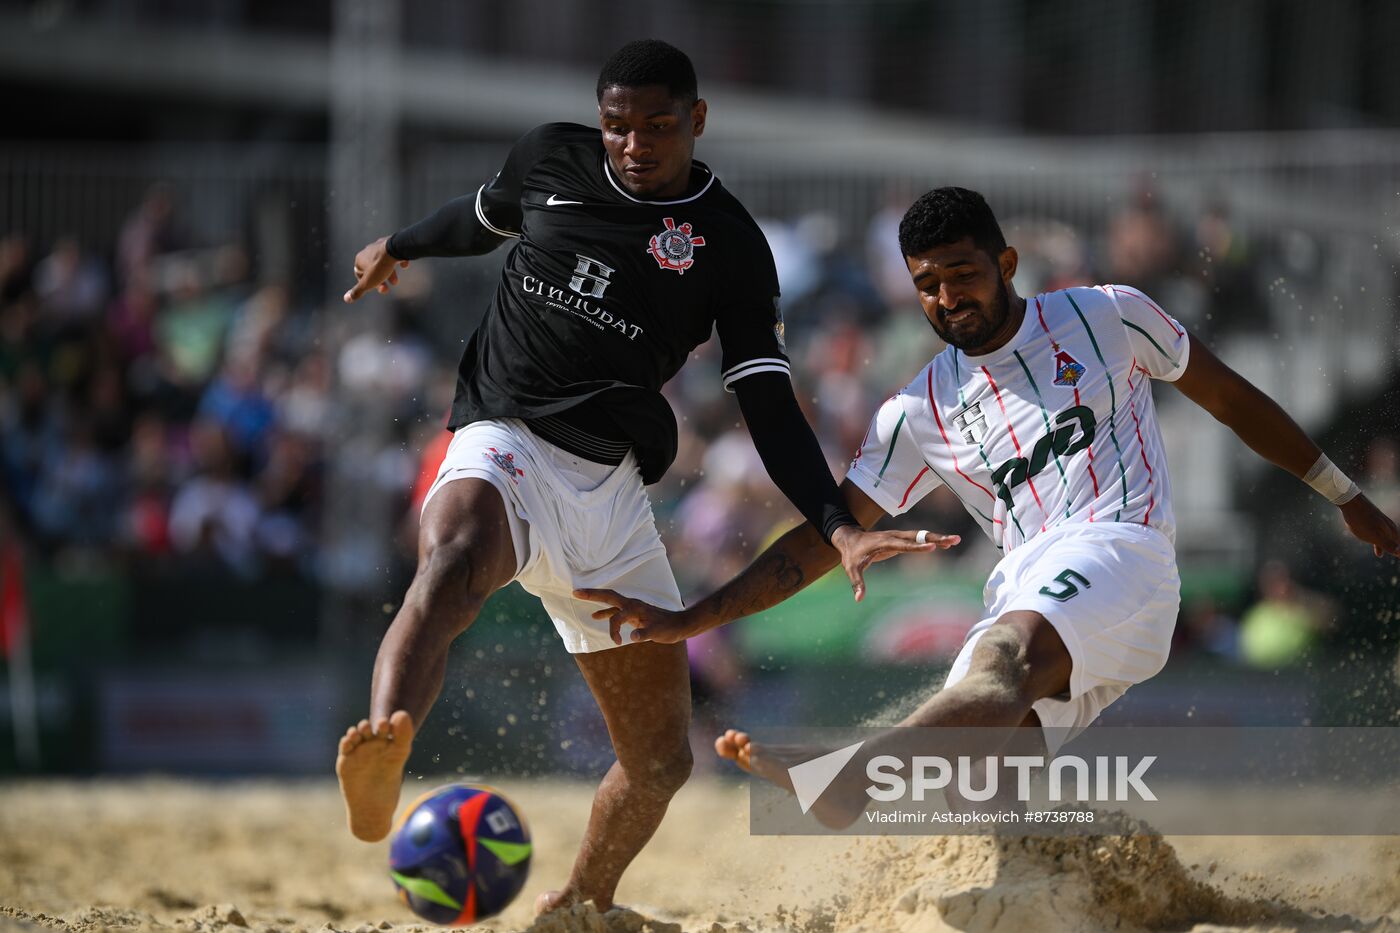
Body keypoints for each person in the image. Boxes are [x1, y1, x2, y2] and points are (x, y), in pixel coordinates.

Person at [332, 39, 939, 914]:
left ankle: (582, 901)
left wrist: (836, 522)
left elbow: (767, 403)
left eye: (657, 126)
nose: (634, 144)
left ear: (696, 120)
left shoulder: (729, 244)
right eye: (618, 126)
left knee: (661, 761)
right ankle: (386, 742)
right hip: (506, 436)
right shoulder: (553, 155)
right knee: (454, 561)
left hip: (611, 496)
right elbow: (484, 214)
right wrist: (400, 244)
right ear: (600, 118)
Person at [582, 186, 1400, 827]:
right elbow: (822, 536)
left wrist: (1343, 492)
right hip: (1022, 582)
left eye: (961, 273)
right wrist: (697, 618)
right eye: (925, 284)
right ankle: (1069, 877)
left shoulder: (1105, 314)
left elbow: (1229, 399)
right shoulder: (916, 410)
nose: (945, 297)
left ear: (1006, 261)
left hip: (1122, 553)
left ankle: (845, 778)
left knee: (1001, 660)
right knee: (982, 786)